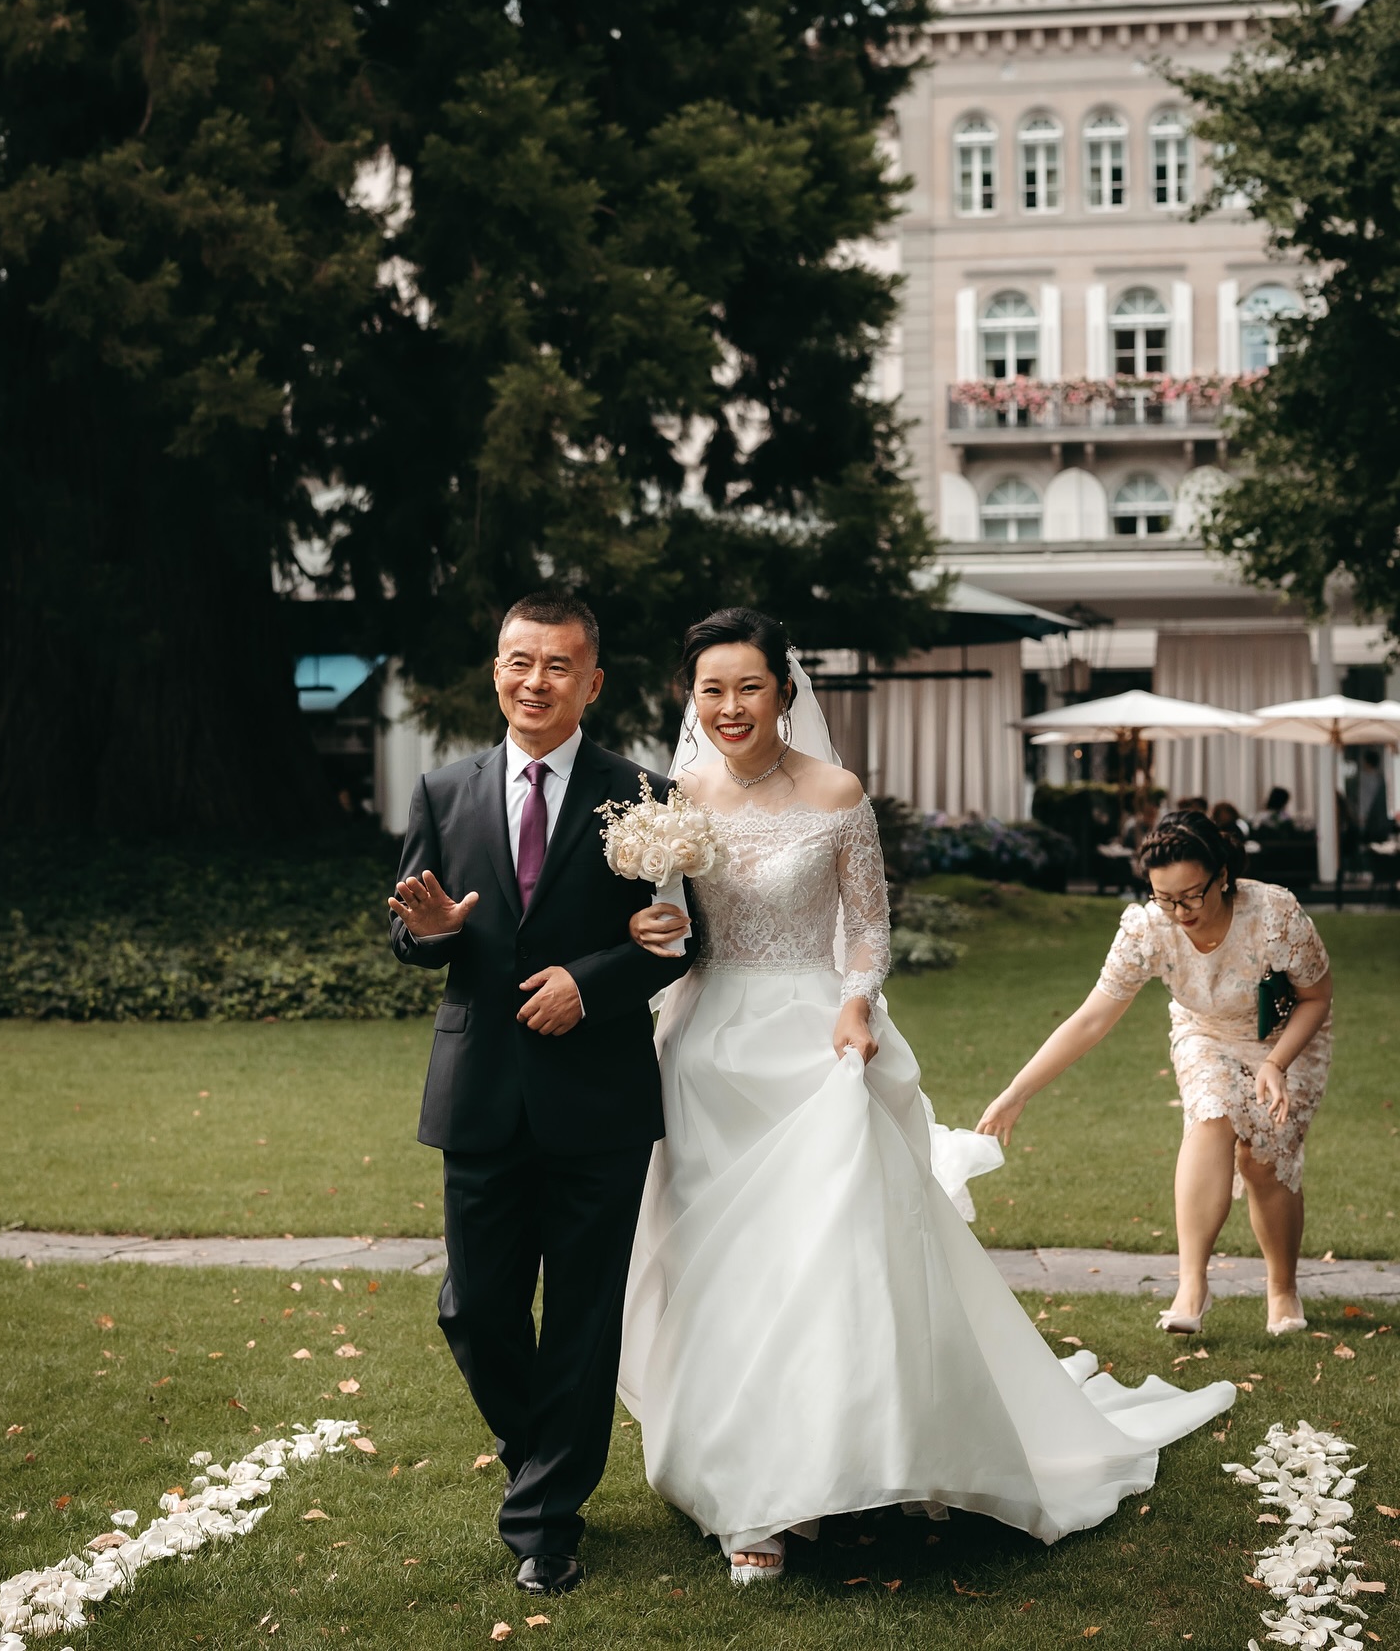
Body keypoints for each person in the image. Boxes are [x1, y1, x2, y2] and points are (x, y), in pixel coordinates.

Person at [619, 609, 1234, 1585]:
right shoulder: (672, 799)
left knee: (820, 1257)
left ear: (785, 689)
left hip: (816, 1046)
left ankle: (811, 1474)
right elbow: (660, 930)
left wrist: (859, 1003)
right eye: (710, 689)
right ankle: (742, 1472)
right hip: (703, 1053)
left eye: (748, 685)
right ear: (689, 700)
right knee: (717, 1270)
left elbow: (867, 926)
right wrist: (652, 928)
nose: (730, 706)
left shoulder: (836, 791)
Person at [387, 593, 694, 1597]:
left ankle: (547, 1524)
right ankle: (545, 1458)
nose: (535, 681)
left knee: (580, 1317)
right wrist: (428, 932)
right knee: (475, 1310)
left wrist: (590, 984)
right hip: (479, 1091)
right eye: (519, 661)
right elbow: (411, 928)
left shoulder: (645, 796)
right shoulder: (443, 790)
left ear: (592, 682)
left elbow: (679, 940)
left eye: (558, 665)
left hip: (597, 1099)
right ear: (496, 669)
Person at [978, 811, 1333, 1337]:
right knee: (1210, 1115)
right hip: (1204, 1032)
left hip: (1285, 1037)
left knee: (1263, 1161)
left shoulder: (1274, 913)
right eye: (1164, 898)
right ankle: (1192, 1283)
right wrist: (1017, 1091)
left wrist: (1276, 1064)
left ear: (1223, 876)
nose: (1179, 911)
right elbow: (1092, 1018)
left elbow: (1316, 996)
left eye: (1191, 895)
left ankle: (1282, 1288)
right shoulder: (1148, 928)